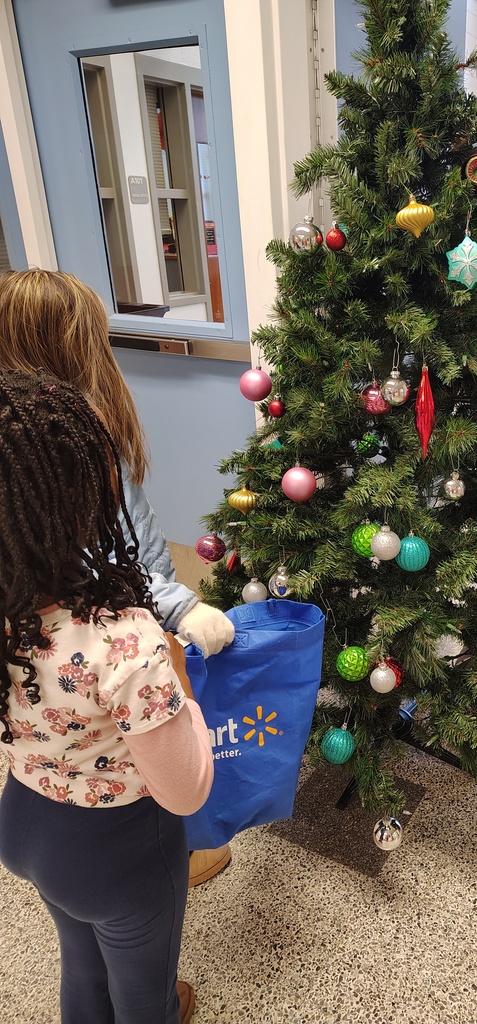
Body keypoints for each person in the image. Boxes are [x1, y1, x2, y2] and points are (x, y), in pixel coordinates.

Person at [0, 268, 233, 887]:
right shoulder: (70, 450)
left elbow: (131, 546)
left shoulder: (32, 447)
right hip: (125, 830)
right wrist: (177, 612)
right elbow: (114, 562)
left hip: (36, 801)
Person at [0, 369, 214, 1023]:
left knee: (82, 965)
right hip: (119, 852)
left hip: (25, 821)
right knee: (144, 997)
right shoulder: (122, 637)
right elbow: (185, 791)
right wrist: (187, 703)